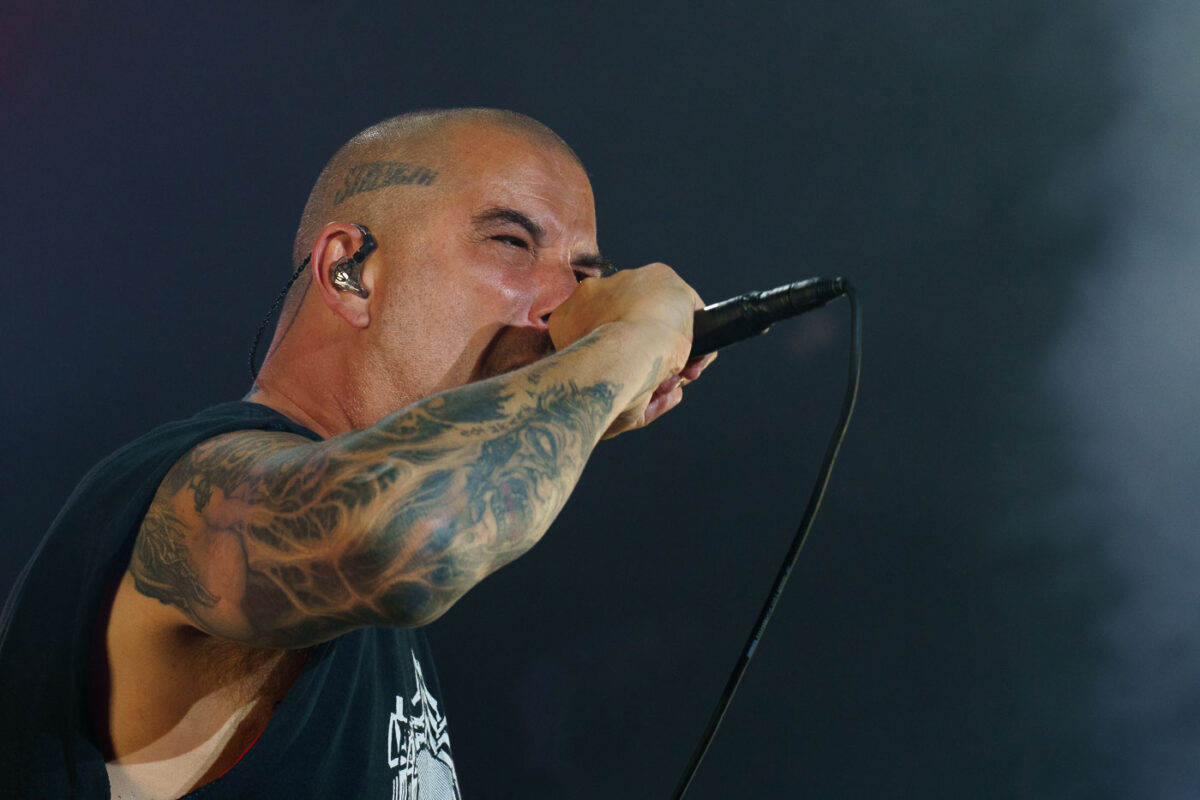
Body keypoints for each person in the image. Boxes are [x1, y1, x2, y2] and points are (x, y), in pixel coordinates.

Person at [0, 108, 714, 798]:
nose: (566, 307)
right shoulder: (189, 489)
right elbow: (408, 539)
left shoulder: (362, 623)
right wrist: (630, 342)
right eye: (512, 242)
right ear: (350, 269)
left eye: (587, 276)